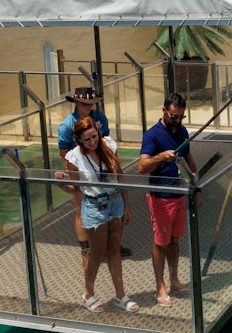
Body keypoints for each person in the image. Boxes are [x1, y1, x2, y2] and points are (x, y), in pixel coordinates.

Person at [55, 116, 137, 313]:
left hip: (115, 202)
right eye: (87, 140)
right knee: (97, 253)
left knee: (115, 249)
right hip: (94, 207)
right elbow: (75, 188)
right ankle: (88, 293)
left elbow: (120, 176)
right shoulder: (74, 158)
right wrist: (60, 184)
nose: (93, 142)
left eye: (94, 136)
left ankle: (120, 295)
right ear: (79, 141)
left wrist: (127, 205)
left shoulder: (108, 145)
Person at [58, 86, 131, 260]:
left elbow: (106, 142)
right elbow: (63, 152)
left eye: (91, 103)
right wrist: (78, 166)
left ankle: (112, 244)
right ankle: (86, 248)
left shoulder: (100, 117)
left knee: (111, 203)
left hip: (102, 167)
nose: (88, 106)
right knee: (80, 209)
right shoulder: (67, 125)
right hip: (82, 171)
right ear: (76, 102)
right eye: (84, 103)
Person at [138, 93, 197, 307]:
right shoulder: (152, 135)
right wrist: (162, 157)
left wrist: (196, 183)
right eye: (174, 116)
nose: (178, 121)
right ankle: (160, 286)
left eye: (181, 116)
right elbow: (142, 167)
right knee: (161, 243)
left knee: (174, 240)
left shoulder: (182, 131)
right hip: (161, 198)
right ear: (164, 111)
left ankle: (174, 280)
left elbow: (188, 158)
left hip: (179, 194)